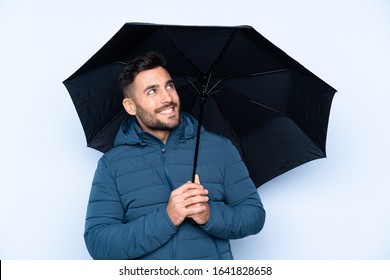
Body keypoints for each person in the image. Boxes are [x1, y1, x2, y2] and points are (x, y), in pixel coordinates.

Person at [84, 51, 266, 260]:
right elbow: (98, 243)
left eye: (169, 86)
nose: (168, 98)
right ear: (130, 106)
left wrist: (209, 215)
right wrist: (168, 217)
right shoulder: (112, 165)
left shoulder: (219, 148)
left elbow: (254, 216)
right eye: (152, 91)